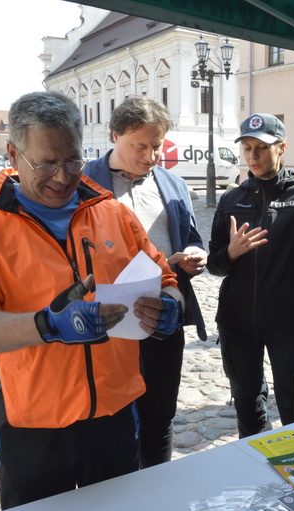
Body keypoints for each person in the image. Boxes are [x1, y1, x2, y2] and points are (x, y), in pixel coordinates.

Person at [0, 91, 184, 509]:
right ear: (13, 153)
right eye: (46, 163)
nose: (63, 176)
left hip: (115, 415)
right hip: (32, 426)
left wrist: (170, 308)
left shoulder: (114, 215)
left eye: (73, 160)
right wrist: (46, 326)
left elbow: (165, 277)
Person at [85, 95, 207, 468]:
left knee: (160, 415)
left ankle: (157, 482)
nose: (151, 155)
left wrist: (193, 253)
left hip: (164, 315)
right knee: (112, 419)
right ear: (115, 135)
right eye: (141, 145)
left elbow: (190, 234)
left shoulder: (172, 183)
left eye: (157, 146)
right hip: (110, 324)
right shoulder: (84, 183)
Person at [207, 113, 294, 437]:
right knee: (248, 405)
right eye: (247, 148)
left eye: (261, 148)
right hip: (238, 323)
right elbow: (214, 264)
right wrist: (230, 254)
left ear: (282, 148)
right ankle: (258, 471)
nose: (253, 156)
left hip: (288, 324)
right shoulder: (231, 200)